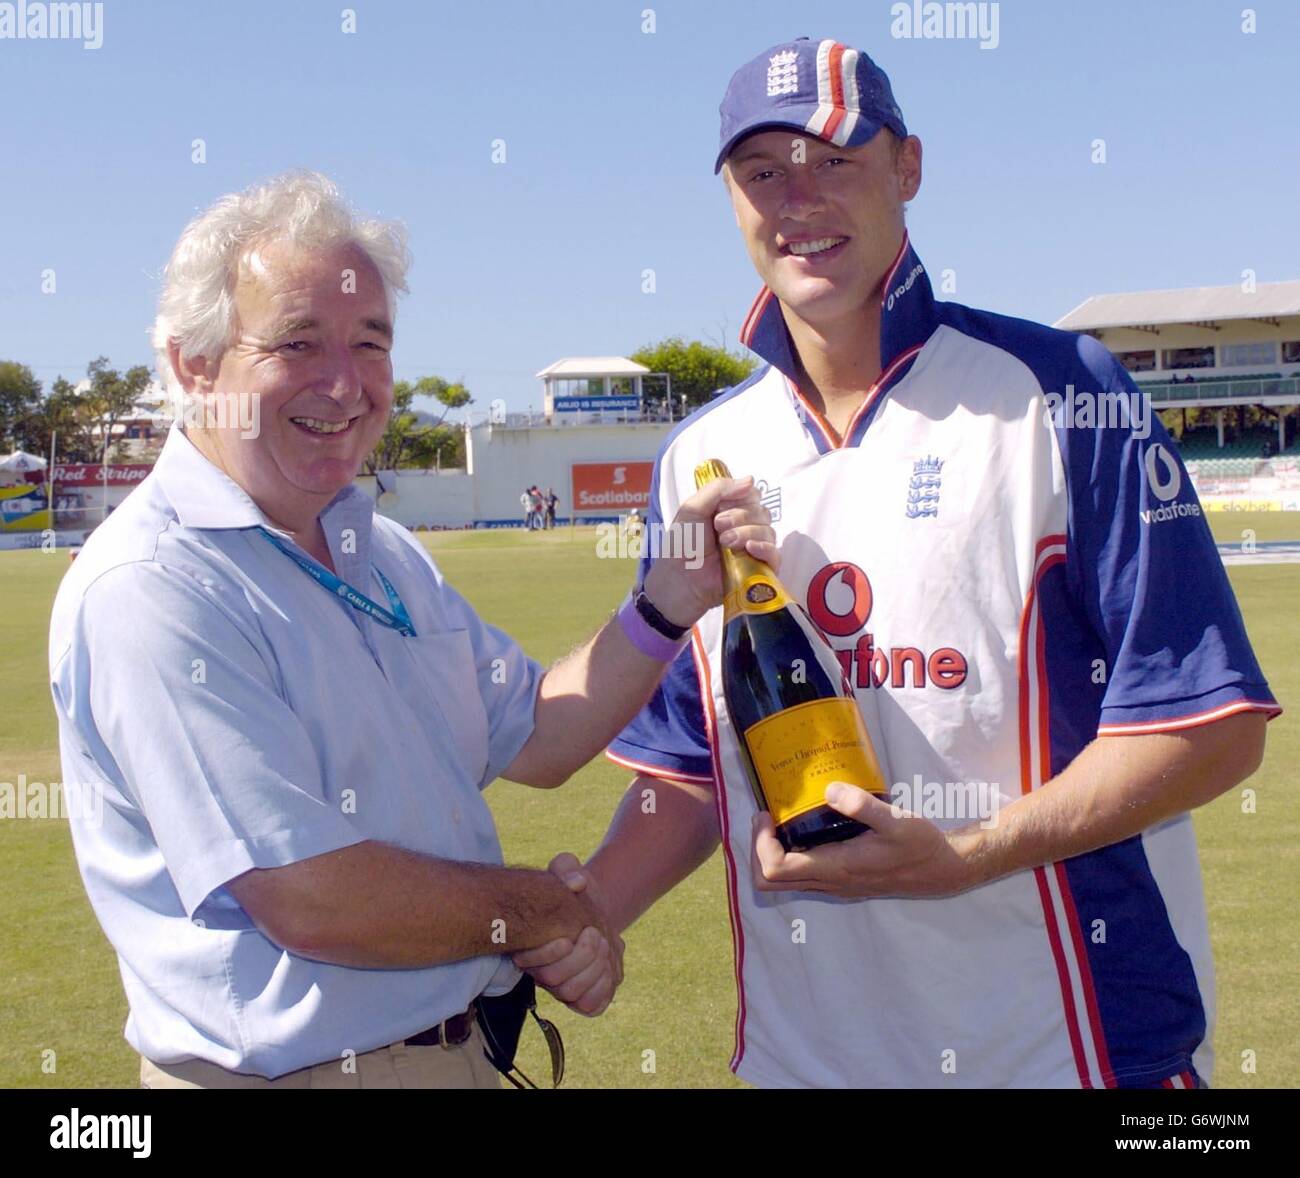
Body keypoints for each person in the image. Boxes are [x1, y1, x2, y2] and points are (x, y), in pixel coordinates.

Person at [516, 37, 1279, 1089]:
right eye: (762, 171)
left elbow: (1210, 727)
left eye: (835, 160)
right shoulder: (699, 454)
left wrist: (967, 854)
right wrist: (587, 909)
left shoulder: (1061, 392)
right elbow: (692, 771)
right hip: (805, 1062)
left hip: (1079, 1054)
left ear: (907, 169)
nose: (798, 199)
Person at [47, 171, 775, 1089]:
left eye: (370, 342)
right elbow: (311, 896)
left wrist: (665, 605)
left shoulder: (378, 548)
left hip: (457, 1051)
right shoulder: (155, 584)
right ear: (195, 364)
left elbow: (540, 735)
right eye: (298, 343)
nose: (346, 383)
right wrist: (543, 912)